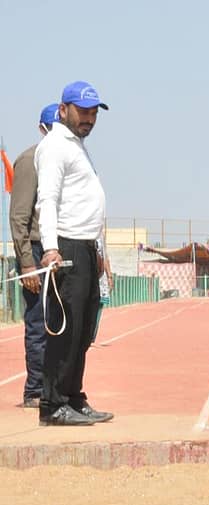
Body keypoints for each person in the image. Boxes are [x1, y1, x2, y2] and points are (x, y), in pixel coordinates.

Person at [35, 81, 114, 426]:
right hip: (65, 245)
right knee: (64, 329)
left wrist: (98, 249)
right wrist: (51, 247)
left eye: (94, 112)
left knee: (82, 331)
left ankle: (73, 396)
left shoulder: (77, 145)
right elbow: (47, 200)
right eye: (83, 111)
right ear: (63, 109)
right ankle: (52, 404)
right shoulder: (55, 146)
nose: (89, 118)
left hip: (85, 247)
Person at [9, 103, 57, 408]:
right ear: (43, 129)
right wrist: (26, 260)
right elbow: (19, 216)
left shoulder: (65, 160)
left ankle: (56, 387)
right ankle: (35, 390)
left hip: (58, 250)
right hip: (36, 251)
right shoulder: (29, 161)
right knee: (39, 323)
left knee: (60, 324)